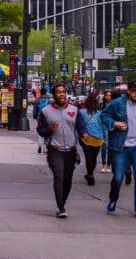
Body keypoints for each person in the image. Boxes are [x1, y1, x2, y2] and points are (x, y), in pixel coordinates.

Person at [101, 78, 136, 219]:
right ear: (128, 91)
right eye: (134, 92)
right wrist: (115, 124)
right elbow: (104, 116)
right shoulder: (117, 103)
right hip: (120, 147)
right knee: (118, 177)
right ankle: (113, 199)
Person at [36, 83, 87, 219]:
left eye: (63, 92)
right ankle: (60, 207)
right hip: (55, 149)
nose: (62, 94)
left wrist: (84, 134)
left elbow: (81, 126)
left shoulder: (74, 110)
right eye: (58, 92)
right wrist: (49, 130)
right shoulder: (46, 111)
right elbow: (40, 130)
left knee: (68, 179)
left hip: (70, 149)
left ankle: (62, 202)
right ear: (54, 95)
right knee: (59, 177)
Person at [80, 92, 105, 186]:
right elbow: (103, 126)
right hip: (98, 138)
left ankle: (90, 173)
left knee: (88, 156)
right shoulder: (100, 113)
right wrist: (104, 137)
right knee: (94, 157)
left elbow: (79, 125)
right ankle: (90, 173)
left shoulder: (81, 112)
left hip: (85, 137)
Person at [100, 91, 113, 172]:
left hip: (112, 125)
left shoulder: (114, 104)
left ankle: (108, 165)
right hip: (103, 125)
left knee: (110, 146)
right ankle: (103, 164)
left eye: (109, 95)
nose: (108, 97)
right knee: (104, 145)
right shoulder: (101, 105)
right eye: (107, 95)